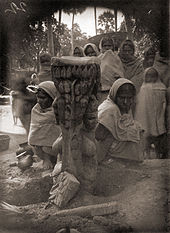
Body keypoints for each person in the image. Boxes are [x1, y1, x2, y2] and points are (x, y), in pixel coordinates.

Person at [95, 78, 144, 163]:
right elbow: (98, 135)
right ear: (115, 95)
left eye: (129, 98)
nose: (126, 102)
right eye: (122, 98)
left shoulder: (121, 108)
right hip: (103, 157)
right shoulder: (110, 110)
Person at [135, 67, 167, 158]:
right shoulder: (142, 89)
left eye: (153, 76)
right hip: (145, 117)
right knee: (146, 139)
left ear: (157, 77)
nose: (151, 79)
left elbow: (163, 105)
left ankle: (158, 155)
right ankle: (146, 155)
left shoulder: (162, 88)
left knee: (157, 140)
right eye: (148, 76)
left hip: (158, 117)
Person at [28, 81, 61, 169]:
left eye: (43, 98)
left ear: (53, 97)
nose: (39, 101)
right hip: (40, 149)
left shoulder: (58, 112)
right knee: (37, 146)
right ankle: (46, 159)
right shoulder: (36, 109)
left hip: (55, 149)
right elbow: (34, 134)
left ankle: (55, 160)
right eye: (38, 97)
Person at [98, 36, 124, 104]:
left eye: (109, 46)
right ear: (101, 47)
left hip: (113, 90)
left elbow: (120, 72)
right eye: (105, 46)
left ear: (113, 46)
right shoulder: (98, 59)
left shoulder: (116, 58)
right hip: (102, 91)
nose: (107, 48)